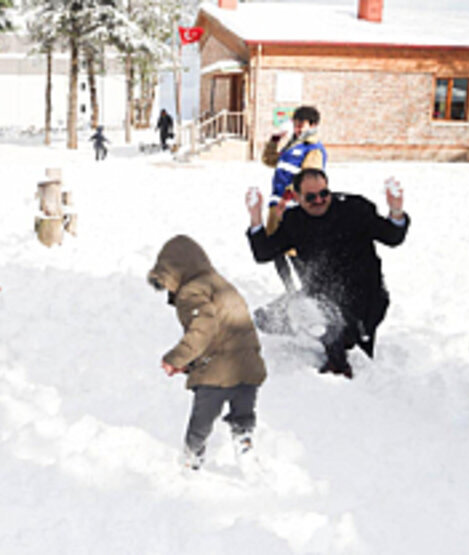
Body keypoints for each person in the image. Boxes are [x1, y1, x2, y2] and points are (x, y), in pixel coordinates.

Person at [247, 168, 408, 378]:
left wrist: (396, 210)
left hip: (365, 300)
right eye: (310, 197)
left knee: (325, 321)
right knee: (267, 319)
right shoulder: (295, 220)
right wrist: (256, 217)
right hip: (319, 294)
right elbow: (264, 252)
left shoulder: (354, 209)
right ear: (296, 197)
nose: (319, 200)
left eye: (324, 193)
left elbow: (392, 236)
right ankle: (325, 335)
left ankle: (338, 364)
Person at [148, 235, 267, 470]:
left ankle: (191, 460)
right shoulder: (220, 284)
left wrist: (176, 358)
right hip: (248, 368)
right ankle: (245, 448)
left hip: (217, 373)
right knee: (242, 417)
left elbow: (205, 328)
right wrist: (192, 364)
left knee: (201, 422)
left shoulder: (190, 291)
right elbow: (227, 334)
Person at [261, 106, 326, 292]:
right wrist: (273, 142)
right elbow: (269, 161)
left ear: (313, 125)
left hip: (293, 207)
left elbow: (310, 179)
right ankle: (289, 289)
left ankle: (309, 289)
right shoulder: (293, 144)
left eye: (301, 125)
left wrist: (290, 195)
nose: (297, 128)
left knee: (294, 251)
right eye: (295, 124)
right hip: (277, 205)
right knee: (275, 248)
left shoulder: (313, 149)